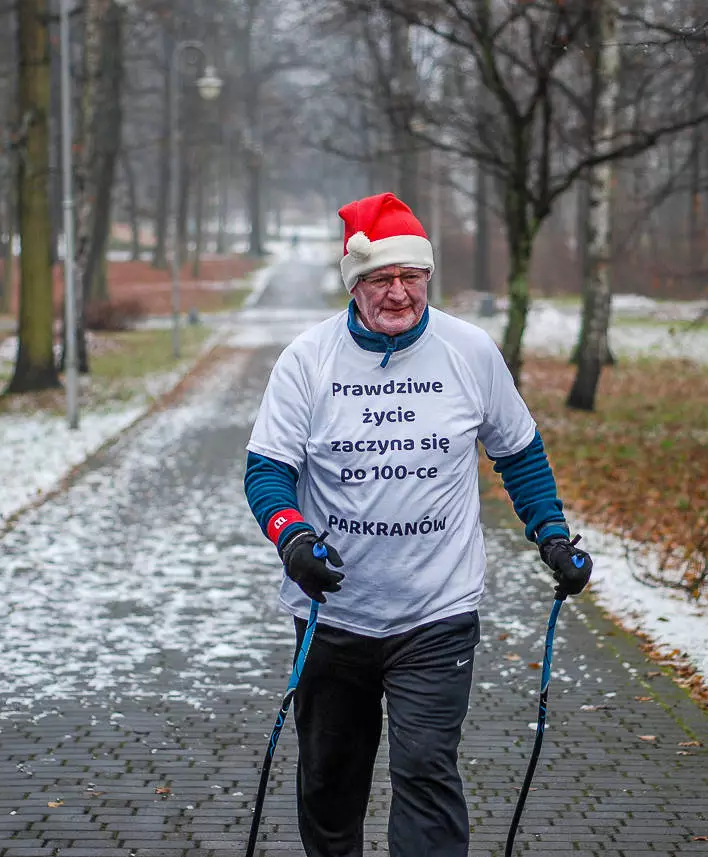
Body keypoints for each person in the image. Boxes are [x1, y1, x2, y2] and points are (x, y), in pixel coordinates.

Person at [243, 191, 593, 857]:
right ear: (355, 284)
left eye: (412, 276)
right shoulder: (308, 360)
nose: (400, 293)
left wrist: (552, 533)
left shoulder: (469, 350)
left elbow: (517, 450)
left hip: (437, 613)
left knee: (427, 773)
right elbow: (267, 470)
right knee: (329, 785)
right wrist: (292, 536)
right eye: (381, 278)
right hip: (331, 613)